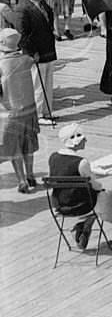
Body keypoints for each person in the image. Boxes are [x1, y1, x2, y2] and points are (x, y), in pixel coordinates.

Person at [0, 27, 39, 193]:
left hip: (10, 113)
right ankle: (30, 175)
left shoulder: (1, 64)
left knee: (14, 147)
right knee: (28, 145)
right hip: (29, 109)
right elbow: (34, 58)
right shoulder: (25, 59)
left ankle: (21, 180)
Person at [15, 0, 57, 119]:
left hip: (48, 50)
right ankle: (38, 115)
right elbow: (22, 35)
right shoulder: (23, 9)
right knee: (37, 86)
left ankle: (46, 112)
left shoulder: (43, 4)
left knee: (48, 84)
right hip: (35, 53)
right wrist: (32, 52)